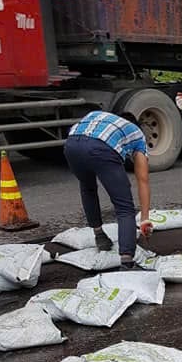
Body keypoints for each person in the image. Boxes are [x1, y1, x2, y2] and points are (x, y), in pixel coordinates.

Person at [63, 109, 153, 269]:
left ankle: (99, 236)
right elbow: (143, 179)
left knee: (88, 188)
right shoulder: (137, 134)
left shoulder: (97, 115)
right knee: (124, 207)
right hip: (101, 149)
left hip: (71, 145)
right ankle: (127, 262)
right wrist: (145, 218)